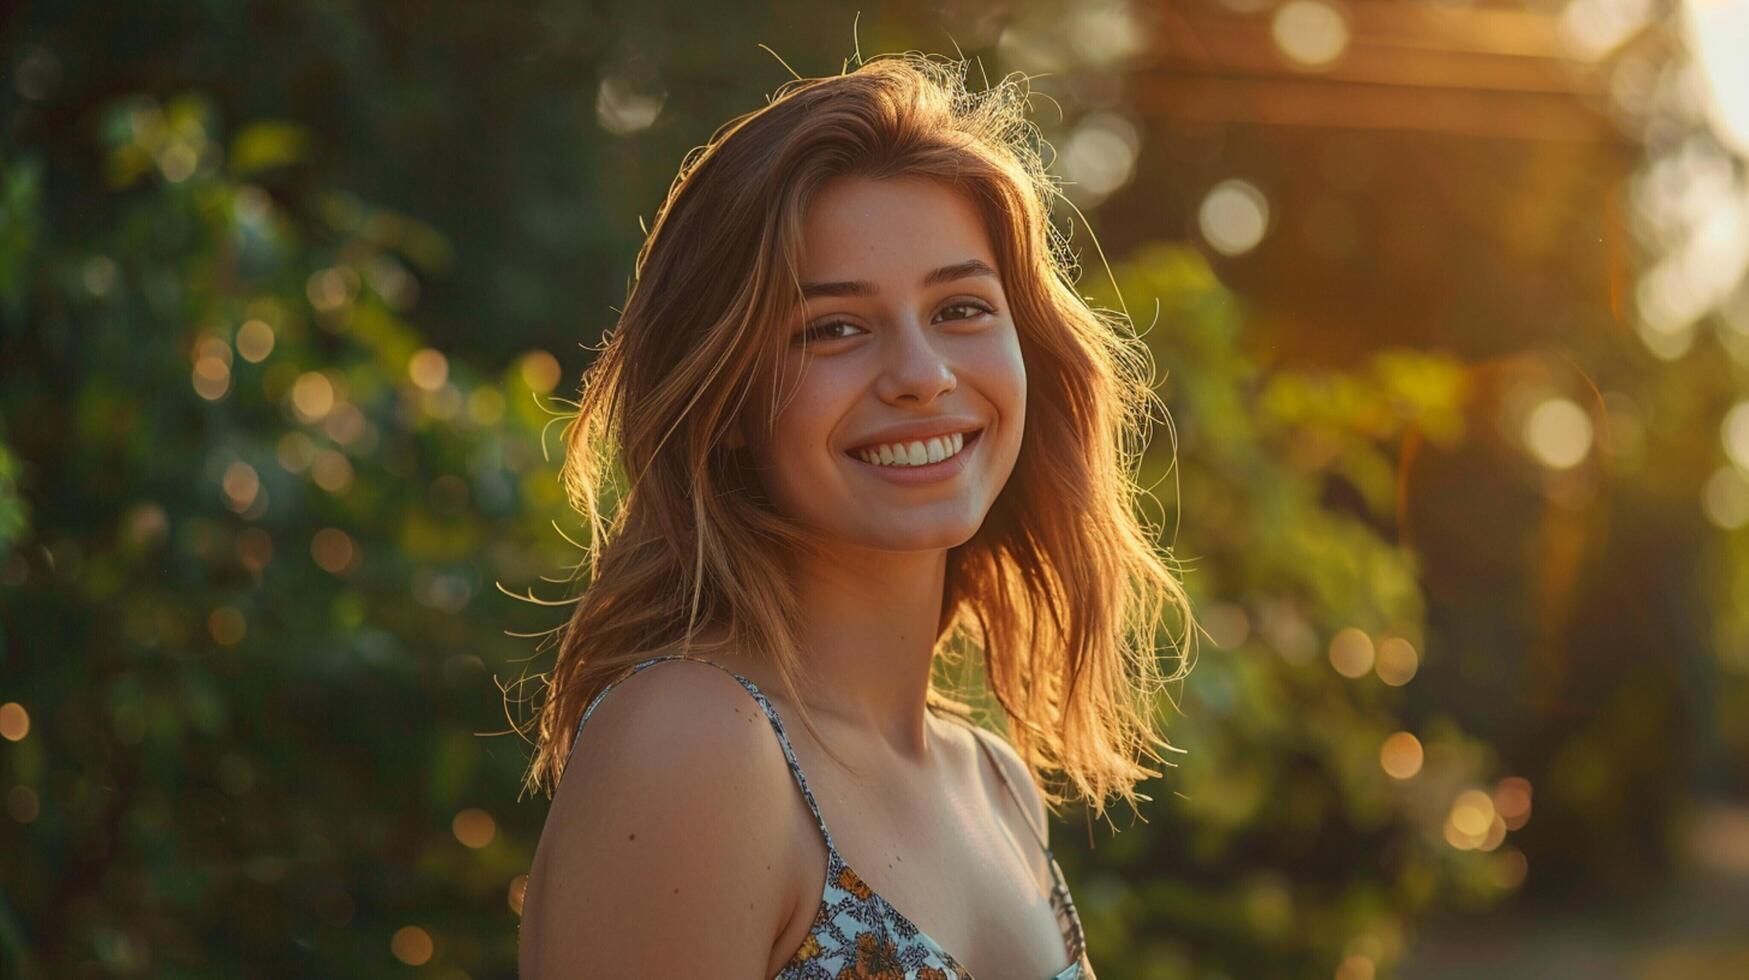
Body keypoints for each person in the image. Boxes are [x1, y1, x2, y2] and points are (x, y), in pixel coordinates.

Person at [516, 50, 1196, 979]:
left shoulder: (996, 786)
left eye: (960, 308)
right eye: (833, 327)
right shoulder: (690, 745)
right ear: (724, 405)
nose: (921, 375)